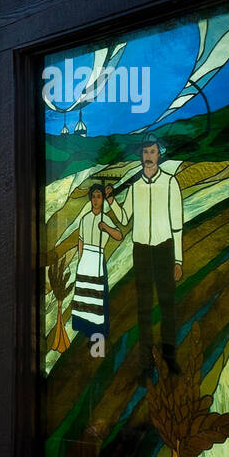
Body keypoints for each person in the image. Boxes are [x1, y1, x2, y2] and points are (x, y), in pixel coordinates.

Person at [111, 134, 184, 376]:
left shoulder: (171, 183)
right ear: (140, 156)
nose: (148, 157)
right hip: (141, 251)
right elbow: (123, 219)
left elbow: (177, 225)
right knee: (143, 309)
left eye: (152, 152)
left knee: (167, 306)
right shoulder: (134, 186)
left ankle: (170, 359)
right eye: (145, 153)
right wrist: (111, 202)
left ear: (159, 154)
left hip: (164, 250)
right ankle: (146, 363)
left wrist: (178, 259)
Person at [69, 183, 126, 335]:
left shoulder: (105, 219)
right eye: (93, 197)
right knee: (83, 295)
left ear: (102, 199)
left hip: (98, 258)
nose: (95, 200)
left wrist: (105, 227)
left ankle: (97, 330)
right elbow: (80, 241)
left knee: (97, 296)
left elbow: (119, 235)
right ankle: (83, 328)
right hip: (86, 260)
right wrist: (81, 260)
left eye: (99, 197)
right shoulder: (85, 219)